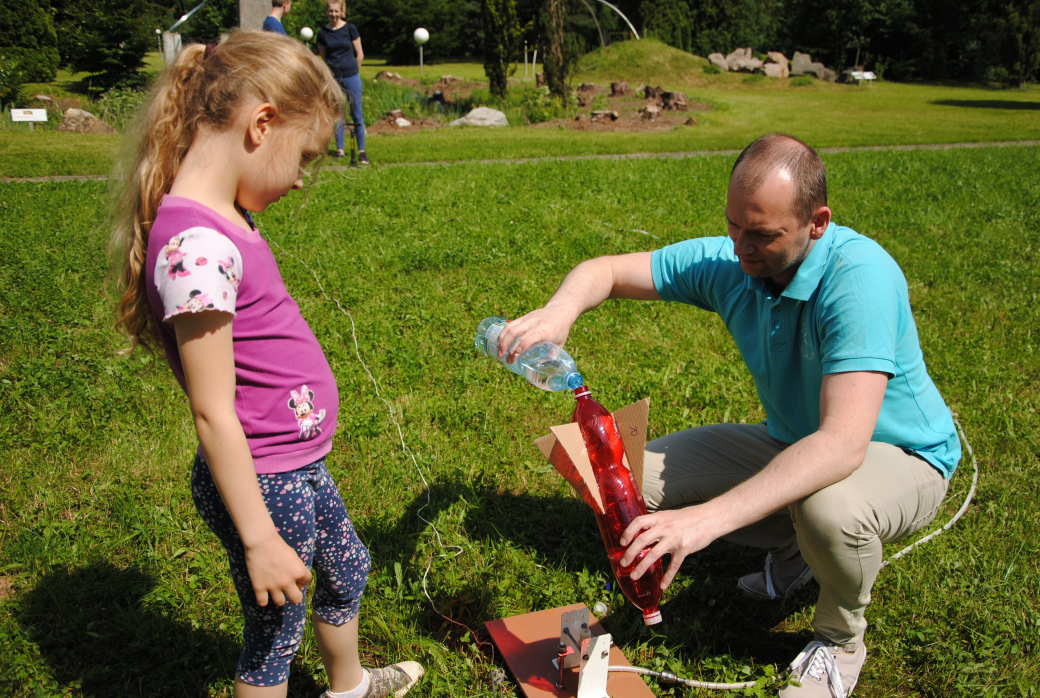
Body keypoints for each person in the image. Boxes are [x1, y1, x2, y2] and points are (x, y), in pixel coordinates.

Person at [495, 133, 961, 697]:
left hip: (900, 454)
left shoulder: (859, 279)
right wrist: (560, 311)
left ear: (817, 222)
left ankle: (840, 639)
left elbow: (842, 446)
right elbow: (607, 270)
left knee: (828, 505)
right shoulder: (733, 260)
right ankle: (797, 551)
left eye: (762, 234)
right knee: (615, 474)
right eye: (734, 226)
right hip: (793, 442)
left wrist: (705, 521)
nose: (741, 249)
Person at [109, 31, 423, 698]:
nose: (303, 175)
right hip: (265, 481)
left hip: (293, 464)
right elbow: (212, 410)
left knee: (348, 569)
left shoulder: (224, 217)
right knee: (275, 633)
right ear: (262, 124)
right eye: (305, 156)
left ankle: (350, 685)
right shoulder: (197, 245)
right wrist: (258, 538)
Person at [317, 1, 367, 164]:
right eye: (331, 11)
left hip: (351, 76)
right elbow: (323, 58)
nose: (333, 14)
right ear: (327, 12)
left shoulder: (350, 29)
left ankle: (361, 151)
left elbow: (359, 54)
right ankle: (340, 150)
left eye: (336, 11)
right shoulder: (323, 32)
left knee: (356, 113)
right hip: (334, 79)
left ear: (341, 12)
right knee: (337, 114)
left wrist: (355, 71)